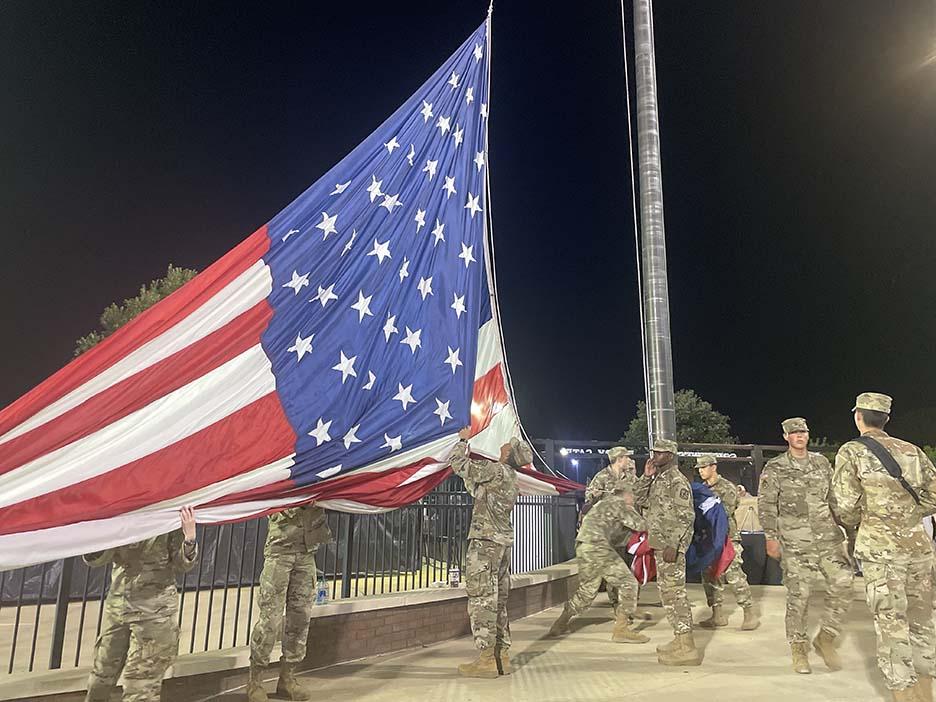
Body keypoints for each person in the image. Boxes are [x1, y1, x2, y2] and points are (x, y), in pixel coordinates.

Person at [831, 392, 936, 701]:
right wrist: (908, 513)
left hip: (880, 551)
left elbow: (845, 506)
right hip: (918, 548)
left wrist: (870, 518)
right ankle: (926, 694)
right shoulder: (912, 451)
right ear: (886, 418)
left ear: (858, 417)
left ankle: (904, 694)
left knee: (892, 623)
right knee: (923, 621)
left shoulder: (852, 451)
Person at [758, 417, 854, 674]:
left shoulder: (821, 463)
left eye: (803, 432)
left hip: (827, 537)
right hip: (795, 540)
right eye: (794, 432)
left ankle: (826, 636)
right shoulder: (775, 467)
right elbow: (766, 504)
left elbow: (833, 498)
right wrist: (770, 536)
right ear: (786, 437)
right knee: (799, 596)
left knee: (844, 583)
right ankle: (798, 647)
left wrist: (848, 527)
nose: (800, 436)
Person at [83, 507, 198, 702]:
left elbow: (182, 564)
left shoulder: (168, 514)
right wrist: (97, 533)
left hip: (153, 613)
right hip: (119, 607)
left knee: (140, 688)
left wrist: (189, 538)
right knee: (99, 680)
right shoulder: (124, 512)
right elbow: (97, 559)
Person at [447, 427, 526, 679]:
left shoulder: (495, 470)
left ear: (508, 454)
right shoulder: (511, 478)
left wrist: (462, 440)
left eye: (508, 445)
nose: (503, 445)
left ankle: (486, 660)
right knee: (498, 601)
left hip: (485, 544)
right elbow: (478, 490)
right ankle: (502, 656)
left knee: (482, 598)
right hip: (502, 543)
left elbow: (458, 464)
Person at [247, 504, 333, 701]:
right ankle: (255, 681)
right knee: (270, 621)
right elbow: (275, 500)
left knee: (300, 619)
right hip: (280, 551)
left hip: (306, 551)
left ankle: (287, 679)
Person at [548, 489, 648, 643]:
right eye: (632, 497)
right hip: (599, 547)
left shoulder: (602, 504)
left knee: (587, 591)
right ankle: (621, 630)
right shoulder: (620, 504)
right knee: (628, 583)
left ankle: (560, 623)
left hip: (584, 546)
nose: (633, 500)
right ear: (626, 496)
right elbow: (641, 525)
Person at [633, 438, 700, 666]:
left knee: (675, 594)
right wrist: (646, 476)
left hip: (670, 547)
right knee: (667, 594)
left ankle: (687, 647)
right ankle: (680, 639)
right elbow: (638, 499)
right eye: (654, 452)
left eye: (659, 453)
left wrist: (673, 544)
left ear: (670, 456)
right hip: (660, 544)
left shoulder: (677, 481)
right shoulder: (658, 478)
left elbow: (686, 516)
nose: (654, 456)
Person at [695, 455, 759, 631]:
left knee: (734, 575)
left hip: (726, 538)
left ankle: (749, 613)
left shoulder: (726, 487)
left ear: (713, 467)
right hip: (708, 539)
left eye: (704, 467)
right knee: (710, 577)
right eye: (699, 468)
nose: (701, 471)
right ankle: (717, 615)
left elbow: (725, 511)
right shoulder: (702, 489)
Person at [584, 446, 637, 611]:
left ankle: (629, 605)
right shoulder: (601, 477)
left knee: (631, 568)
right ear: (619, 459)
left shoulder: (630, 477)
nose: (628, 460)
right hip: (611, 532)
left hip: (628, 529)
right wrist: (595, 495)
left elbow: (639, 494)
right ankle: (617, 605)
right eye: (626, 457)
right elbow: (589, 499)